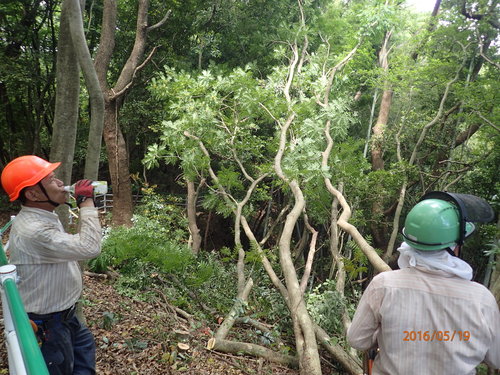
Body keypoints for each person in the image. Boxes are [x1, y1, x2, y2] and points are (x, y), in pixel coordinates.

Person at [347, 194, 500, 375]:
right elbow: (495, 358)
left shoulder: (384, 285)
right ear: (456, 245)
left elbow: (357, 340)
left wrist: (389, 336)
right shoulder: (481, 299)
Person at [1, 155, 102, 375]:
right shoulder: (34, 230)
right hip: (48, 326)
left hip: (66, 317)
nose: (59, 183)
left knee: (84, 361)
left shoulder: (44, 215)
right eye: (51, 180)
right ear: (33, 194)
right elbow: (90, 247)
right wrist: (86, 204)